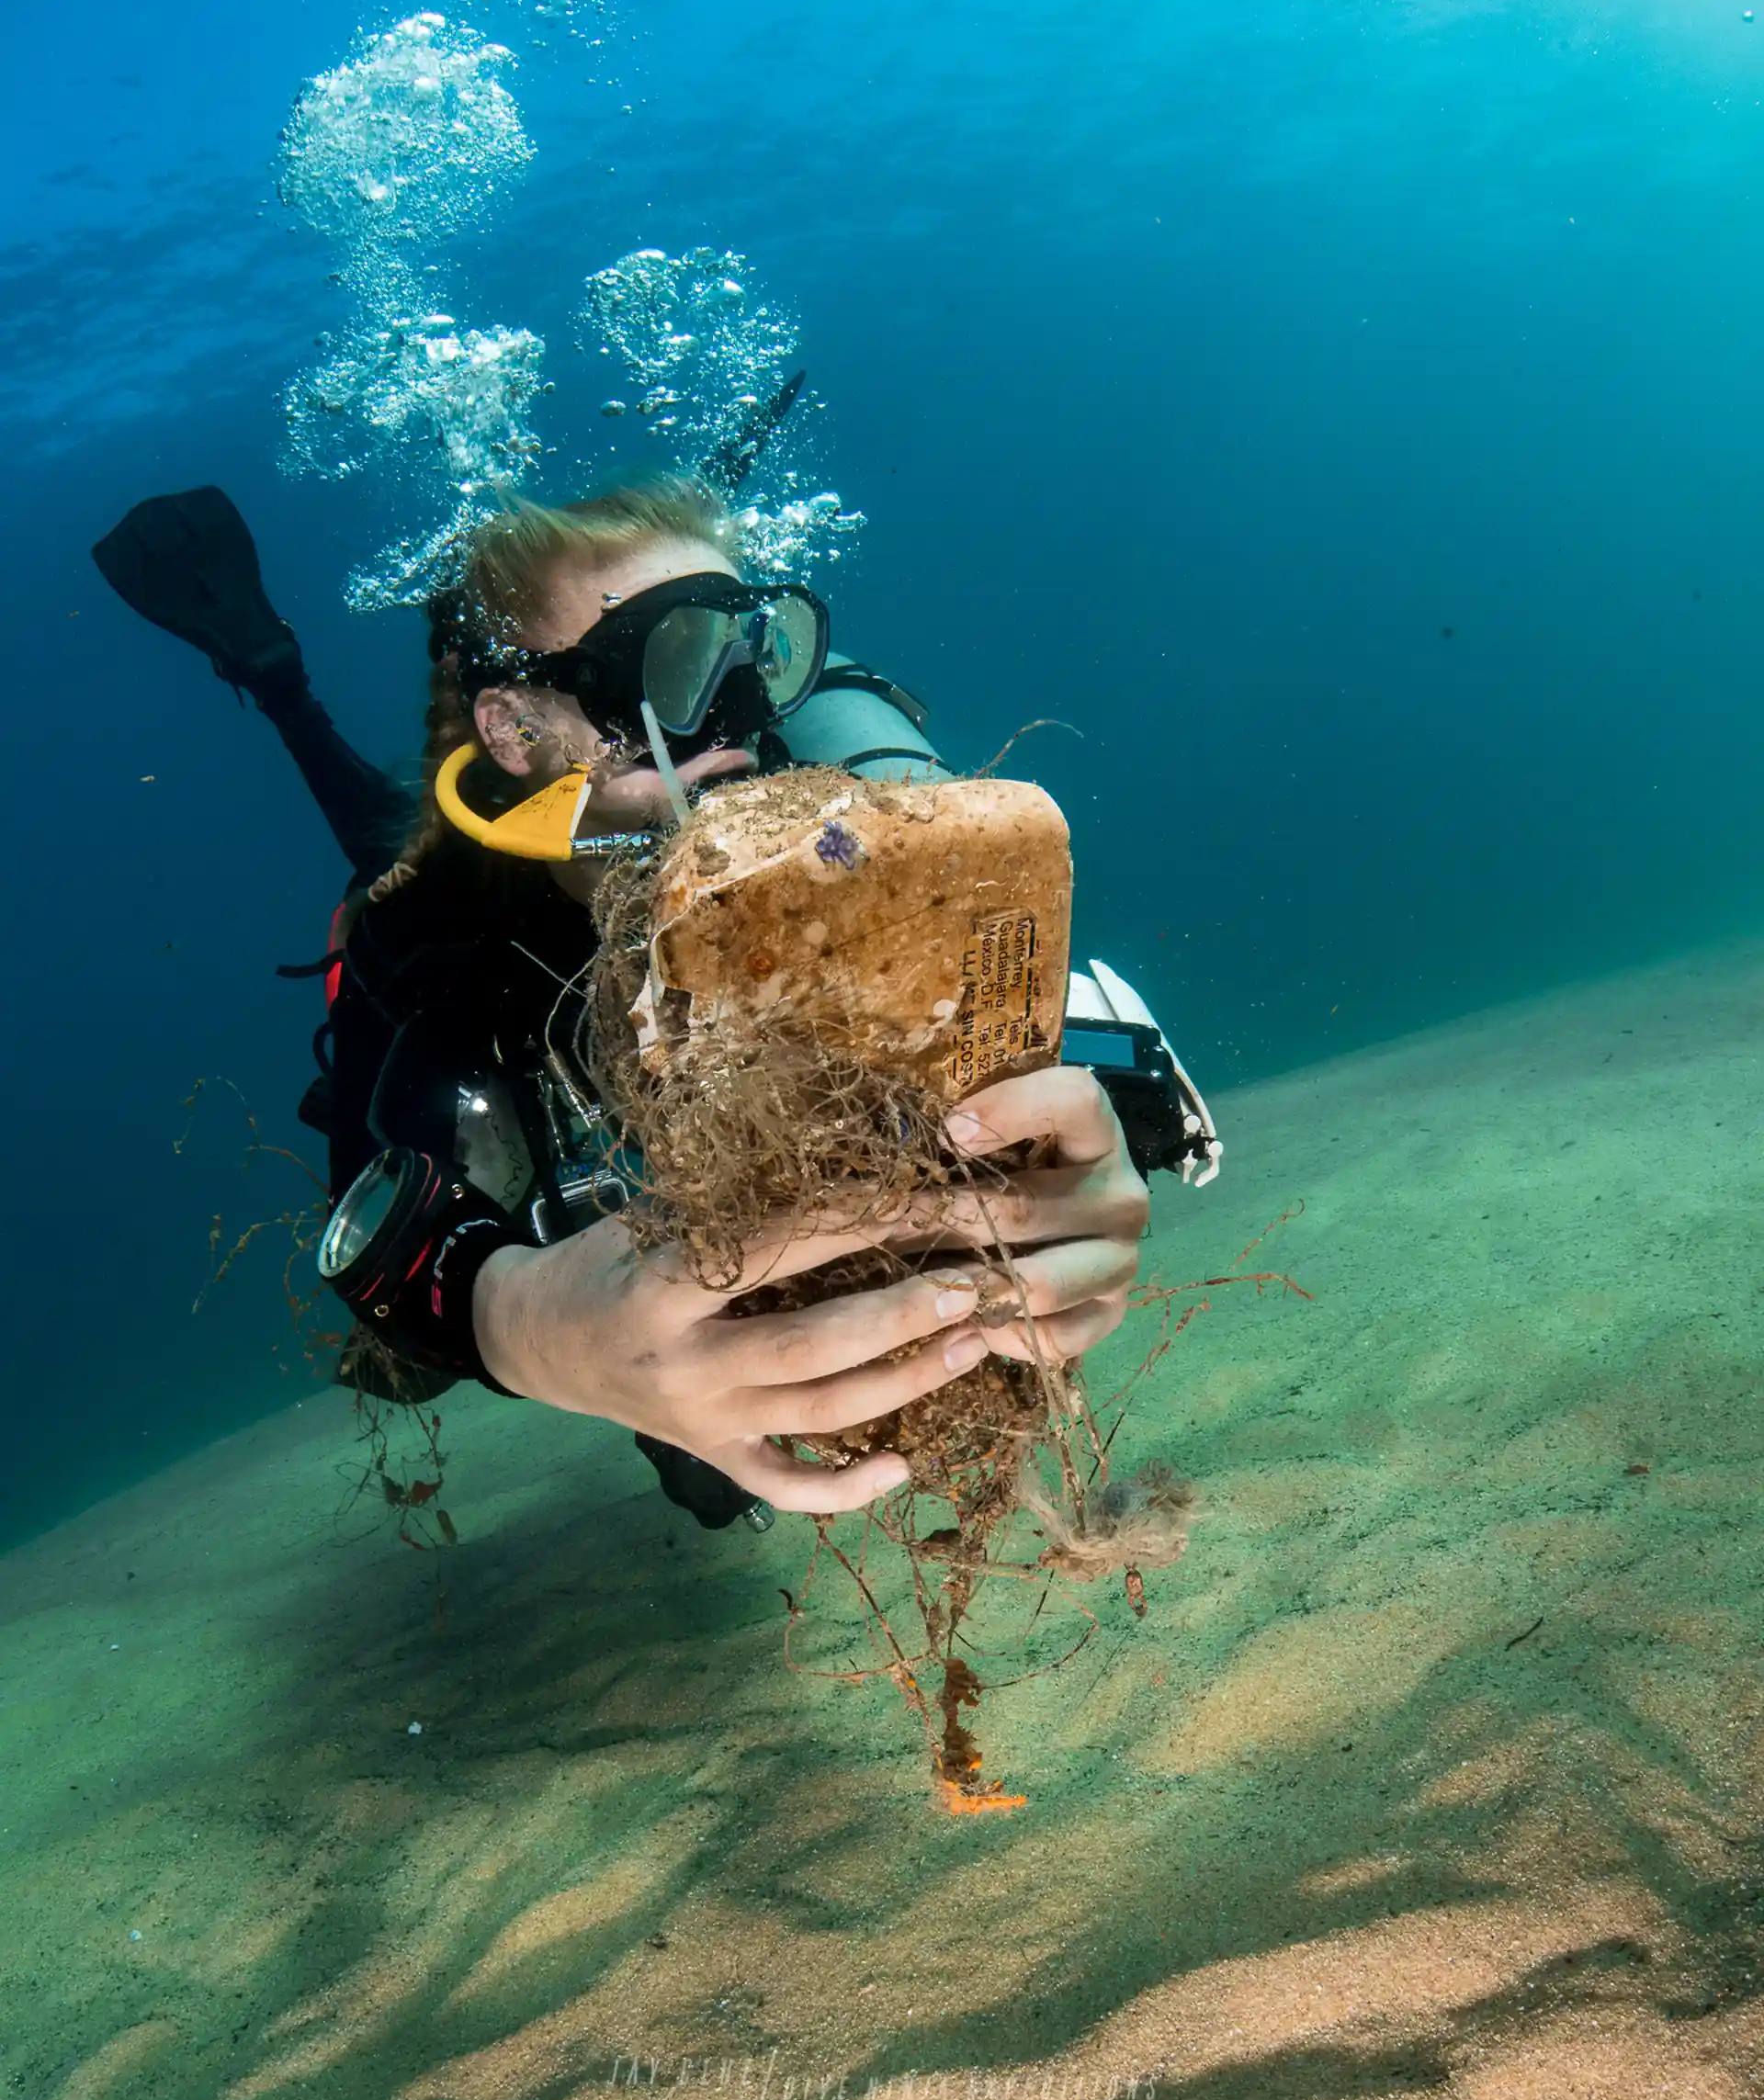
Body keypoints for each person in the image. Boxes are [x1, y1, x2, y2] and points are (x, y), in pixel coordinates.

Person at [94, 478, 1219, 1530]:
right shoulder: (439, 938)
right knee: (692, 1478)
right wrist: (530, 1326)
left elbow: (1025, 1010)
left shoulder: (841, 825)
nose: (734, 732)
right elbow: (374, 1217)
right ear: (517, 729)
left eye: (748, 662)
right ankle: (277, 680)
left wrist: (1116, 1123)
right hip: (484, 908)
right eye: (674, 671)